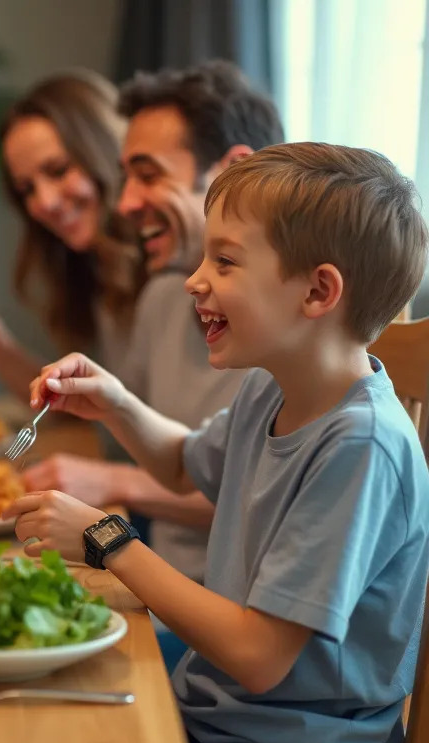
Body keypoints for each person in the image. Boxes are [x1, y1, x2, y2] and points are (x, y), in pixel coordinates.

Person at [0, 142, 429, 743]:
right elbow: (181, 461)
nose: (195, 280)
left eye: (224, 262)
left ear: (318, 292)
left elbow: (260, 657)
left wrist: (109, 540)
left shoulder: (361, 446)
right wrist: (113, 401)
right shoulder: (273, 386)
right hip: (210, 716)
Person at [22, 61, 285, 587]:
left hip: (202, 623)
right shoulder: (165, 293)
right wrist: (115, 401)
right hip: (163, 597)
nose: (124, 204)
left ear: (232, 172)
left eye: (148, 175)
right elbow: (191, 467)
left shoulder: (293, 340)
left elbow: (263, 503)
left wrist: (107, 532)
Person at [0, 70, 146, 396]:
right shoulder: (100, 272)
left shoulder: (175, 280)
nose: (44, 202)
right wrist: (1, 353)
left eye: (59, 170)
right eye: (27, 189)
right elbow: (98, 418)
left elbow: (182, 441)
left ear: (108, 152)